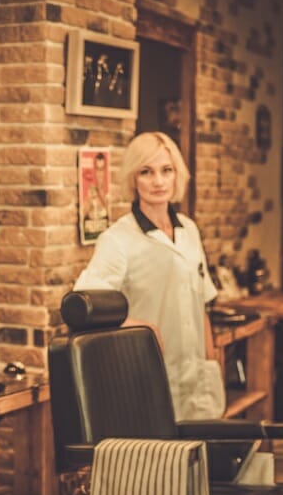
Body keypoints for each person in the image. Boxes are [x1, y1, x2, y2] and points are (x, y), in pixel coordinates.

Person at [73, 132, 224, 421]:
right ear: (133, 179)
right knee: (160, 462)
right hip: (148, 374)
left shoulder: (189, 230)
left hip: (197, 376)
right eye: (146, 172)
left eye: (166, 171)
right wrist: (136, 325)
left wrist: (211, 358)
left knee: (201, 459)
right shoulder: (118, 239)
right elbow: (84, 306)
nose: (158, 181)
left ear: (176, 175)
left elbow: (201, 303)